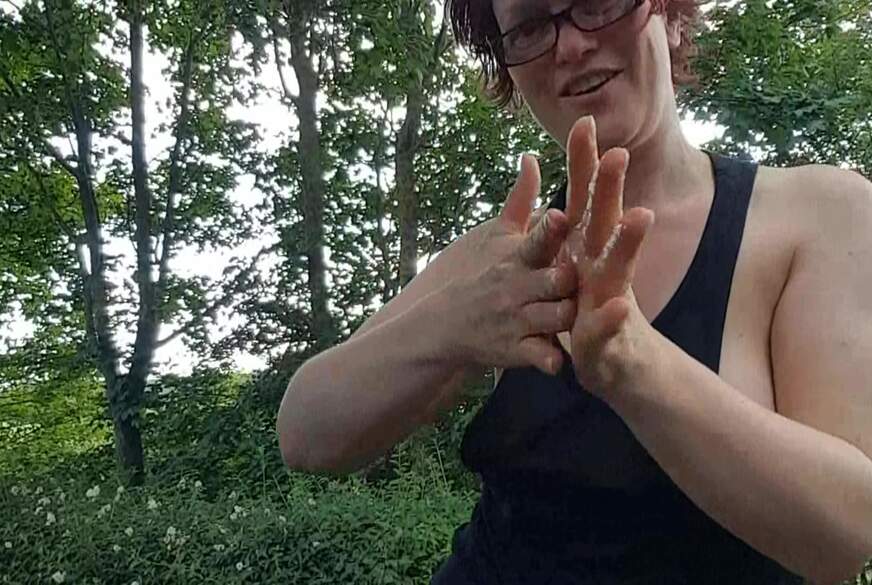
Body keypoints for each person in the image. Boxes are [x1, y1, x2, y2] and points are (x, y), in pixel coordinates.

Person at [276, 0, 872, 583]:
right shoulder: (506, 255)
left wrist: (633, 365)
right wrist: (452, 326)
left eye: (596, 4)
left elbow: (845, 536)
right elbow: (305, 432)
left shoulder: (818, 215)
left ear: (669, 15)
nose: (570, 45)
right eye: (530, 26)